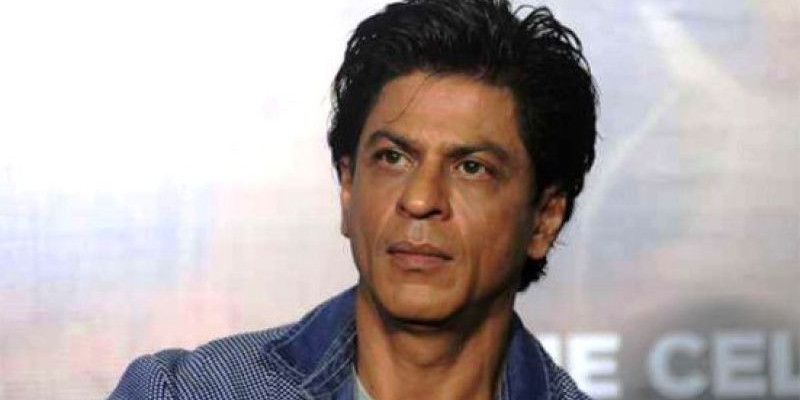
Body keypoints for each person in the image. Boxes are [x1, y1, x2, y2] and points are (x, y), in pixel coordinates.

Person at [109, 0, 598, 399]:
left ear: (544, 219)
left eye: (471, 167)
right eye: (393, 158)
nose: (420, 199)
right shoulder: (184, 393)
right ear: (348, 187)